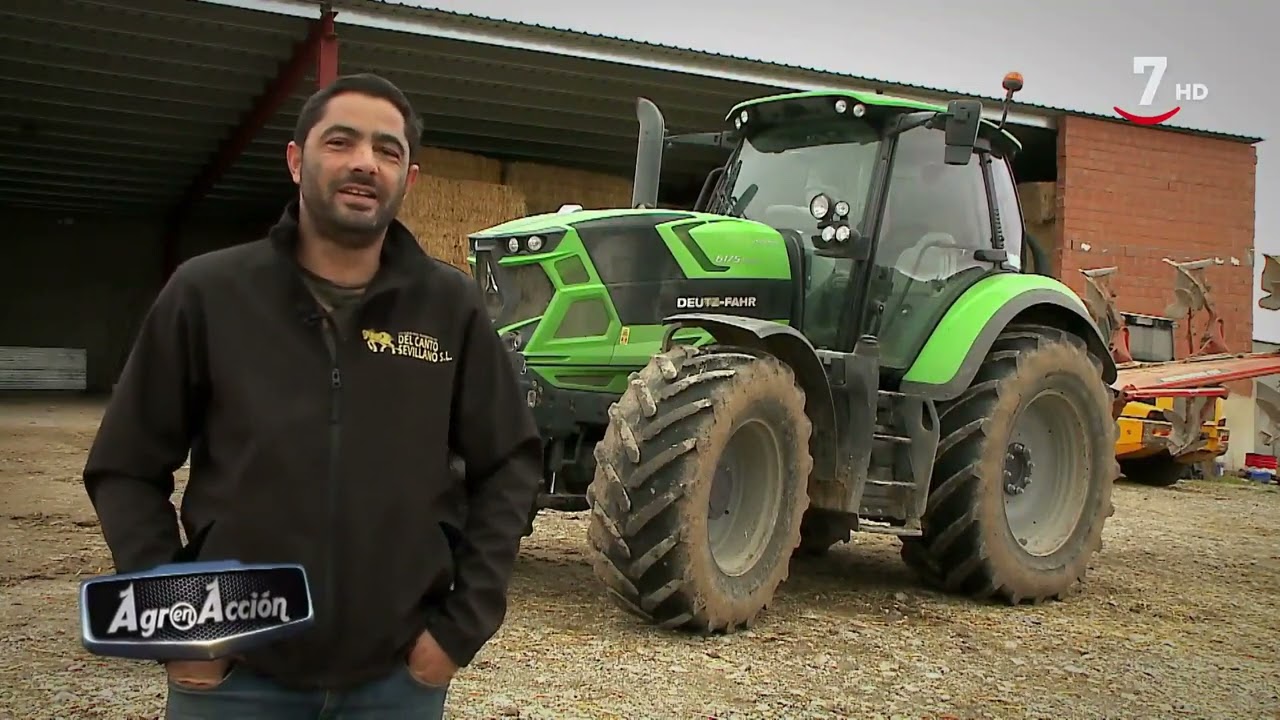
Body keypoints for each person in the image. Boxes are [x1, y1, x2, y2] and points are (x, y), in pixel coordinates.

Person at [81, 73, 543, 718]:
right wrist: (179, 627)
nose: (364, 162)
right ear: (297, 161)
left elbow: (511, 462)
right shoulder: (209, 294)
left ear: (408, 180)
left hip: (395, 685)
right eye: (341, 142)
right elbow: (124, 468)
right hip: (238, 681)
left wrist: (458, 630)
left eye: (388, 150)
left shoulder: (449, 306)